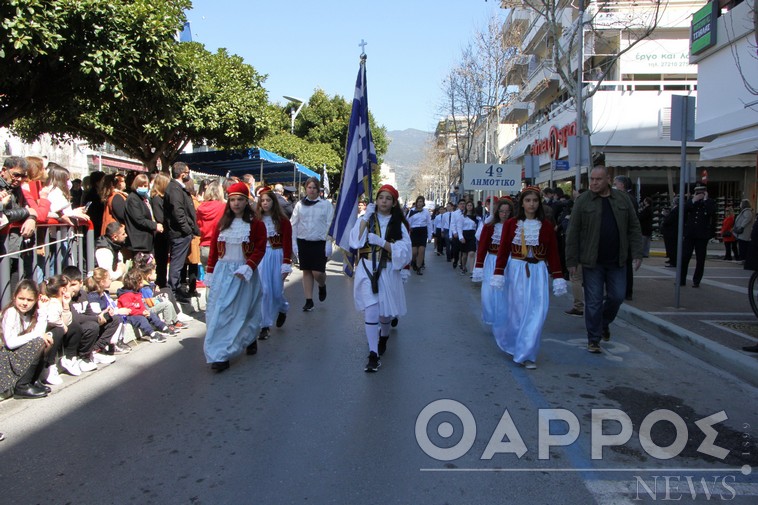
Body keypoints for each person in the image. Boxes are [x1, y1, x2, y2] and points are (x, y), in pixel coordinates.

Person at [565, 165, 643, 353]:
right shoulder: (583, 201)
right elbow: (573, 231)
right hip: (593, 261)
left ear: (608, 179)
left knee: (617, 297)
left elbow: (634, 227)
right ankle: (593, 338)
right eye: (591, 179)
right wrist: (571, 261)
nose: (593, 183)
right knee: (593, 301)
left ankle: (603, 323)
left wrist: (637, 253)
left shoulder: (622, 199)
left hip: (618, 260)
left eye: (598, 179)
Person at [489, 187, 566, 369]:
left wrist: (558, 276)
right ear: (522, 203)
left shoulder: (546, 225)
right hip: (516, 270)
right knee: (517, 311)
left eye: (535, 201)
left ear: (539, 203)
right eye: (528, 200)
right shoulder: (511, 224)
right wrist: (499, 272)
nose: (532, 204)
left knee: (538, 312)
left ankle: (527, 352)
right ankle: (517, 346)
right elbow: (503, 250)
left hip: (538, 272)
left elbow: (553, 253)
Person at [203, 182, 267, 372]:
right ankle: (220, 354)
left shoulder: (256, 225)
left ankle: (248, 337)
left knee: (244, 311)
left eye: (240, 200)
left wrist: (249, 266)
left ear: (246, 201)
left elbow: (260, 248)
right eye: (232, 200)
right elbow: (214, 250)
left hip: (243, 273)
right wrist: (210, 271)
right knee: (221, 311)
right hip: (223, 272)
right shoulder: (221, 223)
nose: (236, 204)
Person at [348, 184, 411, 372]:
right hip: (367, 268)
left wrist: (383, 243)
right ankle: (373, 354)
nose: (383, 201)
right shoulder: (366, 218)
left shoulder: (399, 224)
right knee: (372, 310)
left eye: (388, 198)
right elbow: (355, 241)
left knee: (385, 313)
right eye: (381, 197)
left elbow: (405, 251)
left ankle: (384, 336)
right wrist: (365, 218)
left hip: (388, 270)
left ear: (393, 203)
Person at [0, 280, 53, 399]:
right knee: (39, 341)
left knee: (46, 341)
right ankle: (22, 386)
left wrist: (43, 309)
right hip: (6, 357)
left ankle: (33, 380)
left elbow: (40, 331)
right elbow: (10, 343)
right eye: (21, 298)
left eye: (29, 300)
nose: (25, 303)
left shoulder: (30, 314)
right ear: (14, 297)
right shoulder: (11, 312)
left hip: (18, 354)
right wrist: (37, 335)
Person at [290, 176, 334, 311]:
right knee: (306, 271)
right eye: (309, 187)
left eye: (314, 187)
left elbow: (330, 224)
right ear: (306, 188)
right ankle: (309, 300)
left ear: (318, 189)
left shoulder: (325, 205)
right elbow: (294, 224)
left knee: (317, 273)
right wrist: (294, 243)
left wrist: (328, 242)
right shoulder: (299, 204)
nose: (312, 190)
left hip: (319, 242)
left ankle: (322, 285)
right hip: (304, 241)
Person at [256, 187, 293, 340]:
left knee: (277, 291)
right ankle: (265, 325)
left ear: (273, 202)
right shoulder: (257, 220)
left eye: (268, 200)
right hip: (262, 256)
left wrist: (286, 262)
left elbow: (287, 243)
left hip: (277, 255)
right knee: (264, 291)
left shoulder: (283, 221)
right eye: (262, 200)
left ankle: (283, 308)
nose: (265, 203)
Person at [0, 157, 38, 296]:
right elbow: (4, 215)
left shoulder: (18, 189)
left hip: (14, 248)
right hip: (4, 248)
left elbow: (33, 209)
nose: (19, 179)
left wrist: (31, 218)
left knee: (13, 293)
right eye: (16, 175)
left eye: (23, 176)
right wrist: (27, 212)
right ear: (4, 171)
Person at [472, 198, 513, 325]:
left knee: (506, 291)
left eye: (507, 211)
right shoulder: (490, 226)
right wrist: (479, 265)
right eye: (502, 211)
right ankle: (491, 316)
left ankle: (505, 317)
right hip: (492, 260)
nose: (504, 214)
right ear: (497, 212)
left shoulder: (515, 226)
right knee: (489, 292)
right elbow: (483, 246)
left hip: (509, 261)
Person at [163, 162, 200, 301]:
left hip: (182, 232)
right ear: (182, 173)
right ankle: (172, 291)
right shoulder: (174, 189)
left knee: (179, 264)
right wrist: (186, 230)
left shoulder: (177, 188)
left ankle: (176, 288)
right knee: (177, 264)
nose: (188, 174)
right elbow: (178, 213)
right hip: (179, 234)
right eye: (187, 172)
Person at [42, 274, 83, 383]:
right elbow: (52, 319)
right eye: (70, 286)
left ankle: (69, 358)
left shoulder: (59, 302)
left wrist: (66, 306)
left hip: (57, 331)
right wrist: (62, 325)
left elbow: (68, 322)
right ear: (64, 289)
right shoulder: (53, 302)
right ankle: (49, 366)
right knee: (59, 330)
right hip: (47, 333)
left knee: (74, 326)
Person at [116, 268, 174, 343]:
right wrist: (141, 313)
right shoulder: (125, 295)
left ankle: (163, 327)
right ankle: (151, 334)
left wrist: (144, 311)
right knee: (141, 319)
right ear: (135, 283)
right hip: (129, 315)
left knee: (151, 314)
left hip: (138, 312)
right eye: (140, 282)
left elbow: (140, 304)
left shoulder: (136, 292)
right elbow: (130, 309)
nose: (143, 283)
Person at [679, 184, 717, 288]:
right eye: (698, 192)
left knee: (700, 259)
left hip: (702, 235)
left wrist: (705, 199)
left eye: (702, 192)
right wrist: (693, 200)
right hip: (690, 234)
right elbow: (684, 209)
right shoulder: (692, 202)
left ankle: (696, 280)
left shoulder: (709, 202)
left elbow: (711, 212)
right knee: (685, 256)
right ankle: (682, 279)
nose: (699, 194)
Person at [124, 174, 162, 255]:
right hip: (139, 241)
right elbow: (139, 219)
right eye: (141, 185)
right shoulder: (133, 199)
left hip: (147, 240)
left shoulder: (145, 198)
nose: (144, 188)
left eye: (145, 185)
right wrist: (155, 226)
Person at [197, 180, 226, 269]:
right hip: (220, 246)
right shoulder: (223, 206)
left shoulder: (200, 207)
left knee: (208, 277)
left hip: (204, 246)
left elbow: (198, 225)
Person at [150, 172, 171, 288]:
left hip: (164, 234)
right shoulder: (156, 199)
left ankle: (162, 281)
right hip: (159, 235)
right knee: (161, 261)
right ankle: (161, 283)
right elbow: (159, 217)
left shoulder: (162, 198)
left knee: (163, 261)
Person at [406, 196, 432, 274]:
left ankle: (418, 267)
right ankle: (413, 261)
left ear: (423, 203)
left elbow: (429, 223)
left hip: (423, 231)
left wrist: (430, 236)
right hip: (414, 232)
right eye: (418, 201)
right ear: (416, 203)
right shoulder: (412, 211)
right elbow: (407, 222)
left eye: (421, 201)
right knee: (414, 252)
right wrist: (409, 228)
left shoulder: (426, 212)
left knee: (421, 250)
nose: (419, 203)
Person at [459, 200, 480, 274]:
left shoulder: (476, 217)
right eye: (468, 205)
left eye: (471, 205)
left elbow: (479, 226)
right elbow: (459, 227)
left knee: (472, 253)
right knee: (464, 254)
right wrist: (461, 237)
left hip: (472, 235)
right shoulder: (462, 216)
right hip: (464, 235)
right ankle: (464, 267)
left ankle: (472, 271)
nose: (469, 207)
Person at [661, 197, 679, 267]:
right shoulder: (674, 209)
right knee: (670, 247)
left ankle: (673, 261)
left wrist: (665, 216)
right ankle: (671, 259)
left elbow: (670, 220)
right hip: (670, 231)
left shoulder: (676, 210)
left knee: (672, 247)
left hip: (672, 231)